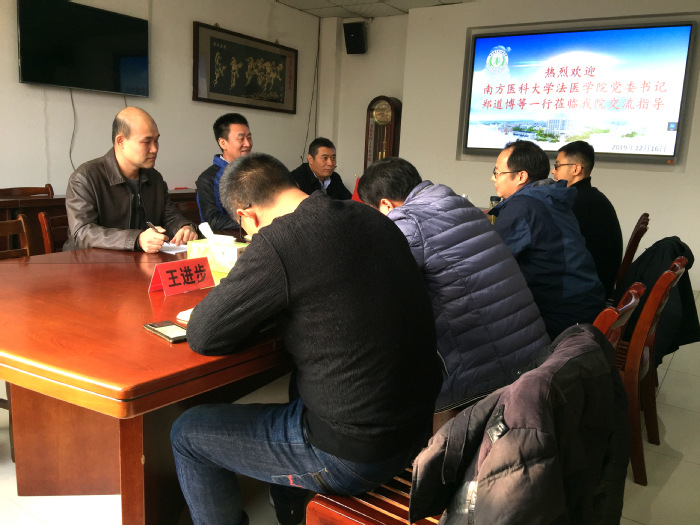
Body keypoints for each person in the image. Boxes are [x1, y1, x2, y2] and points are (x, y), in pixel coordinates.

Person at [171, 153, 442, 525]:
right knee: (300, 388)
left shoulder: (279, 240)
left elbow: (203, 334)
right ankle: (290, 507)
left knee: (187, 433)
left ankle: (292, 497)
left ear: (247, 215)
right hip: (417, 427)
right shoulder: (369, 216)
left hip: (357, 453)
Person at [357, 157, 550, 424]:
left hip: (489, 370)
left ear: (386, 205)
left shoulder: (407, 221)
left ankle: (441, 448)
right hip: (533, 354)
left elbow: (376, 286)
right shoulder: (461, 205)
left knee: (406, 380)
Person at [489, 140, 605, 340]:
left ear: (521, 176)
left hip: (562, 318)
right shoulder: (551, 198)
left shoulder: (523, 206)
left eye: (497, 172)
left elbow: (490, 262)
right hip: (586, 305)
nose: (493, 178)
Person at [64, 107, 197, 253]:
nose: (154, 149)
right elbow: (82, 232)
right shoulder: (85, 177)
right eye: (146, 142)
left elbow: (169, 215)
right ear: (121, 141)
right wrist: (137, 239)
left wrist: (184, 227)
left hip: (139, 260)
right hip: (92, 262)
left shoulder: (154, 178)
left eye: (156, 141)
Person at [553, 140, 623, 298]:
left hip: (588, 293)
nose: (553, 171)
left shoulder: (574, 202)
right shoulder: (592, 197)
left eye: (557, 166)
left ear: (576, 169)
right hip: (601, 284)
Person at [195, 112, 253, 230]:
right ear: (223, 143)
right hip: (231, 238)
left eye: (249, 138)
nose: (247, 144)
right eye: (241, 139)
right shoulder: (208, 178)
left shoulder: (256, 171)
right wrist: (253, 221)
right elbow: (213, 221)